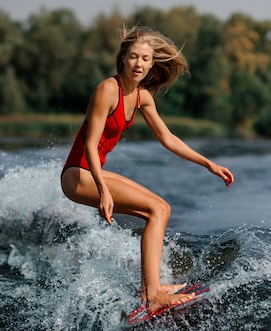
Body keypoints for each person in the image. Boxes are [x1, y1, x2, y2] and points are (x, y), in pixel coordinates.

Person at [61, 25, 234, 316]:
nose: (138, 64)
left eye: (144, 58)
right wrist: (104, 192)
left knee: (159, 209)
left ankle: (148, 288)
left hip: (90, 173)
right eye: (132, 57)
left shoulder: (142, 98)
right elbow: (90, 145)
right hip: (78, 175)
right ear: (123, 58)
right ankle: (153, 296)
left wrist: (209, 164)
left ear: (152, 63)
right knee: (158, 209)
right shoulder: (107, 89)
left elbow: (168, 139)